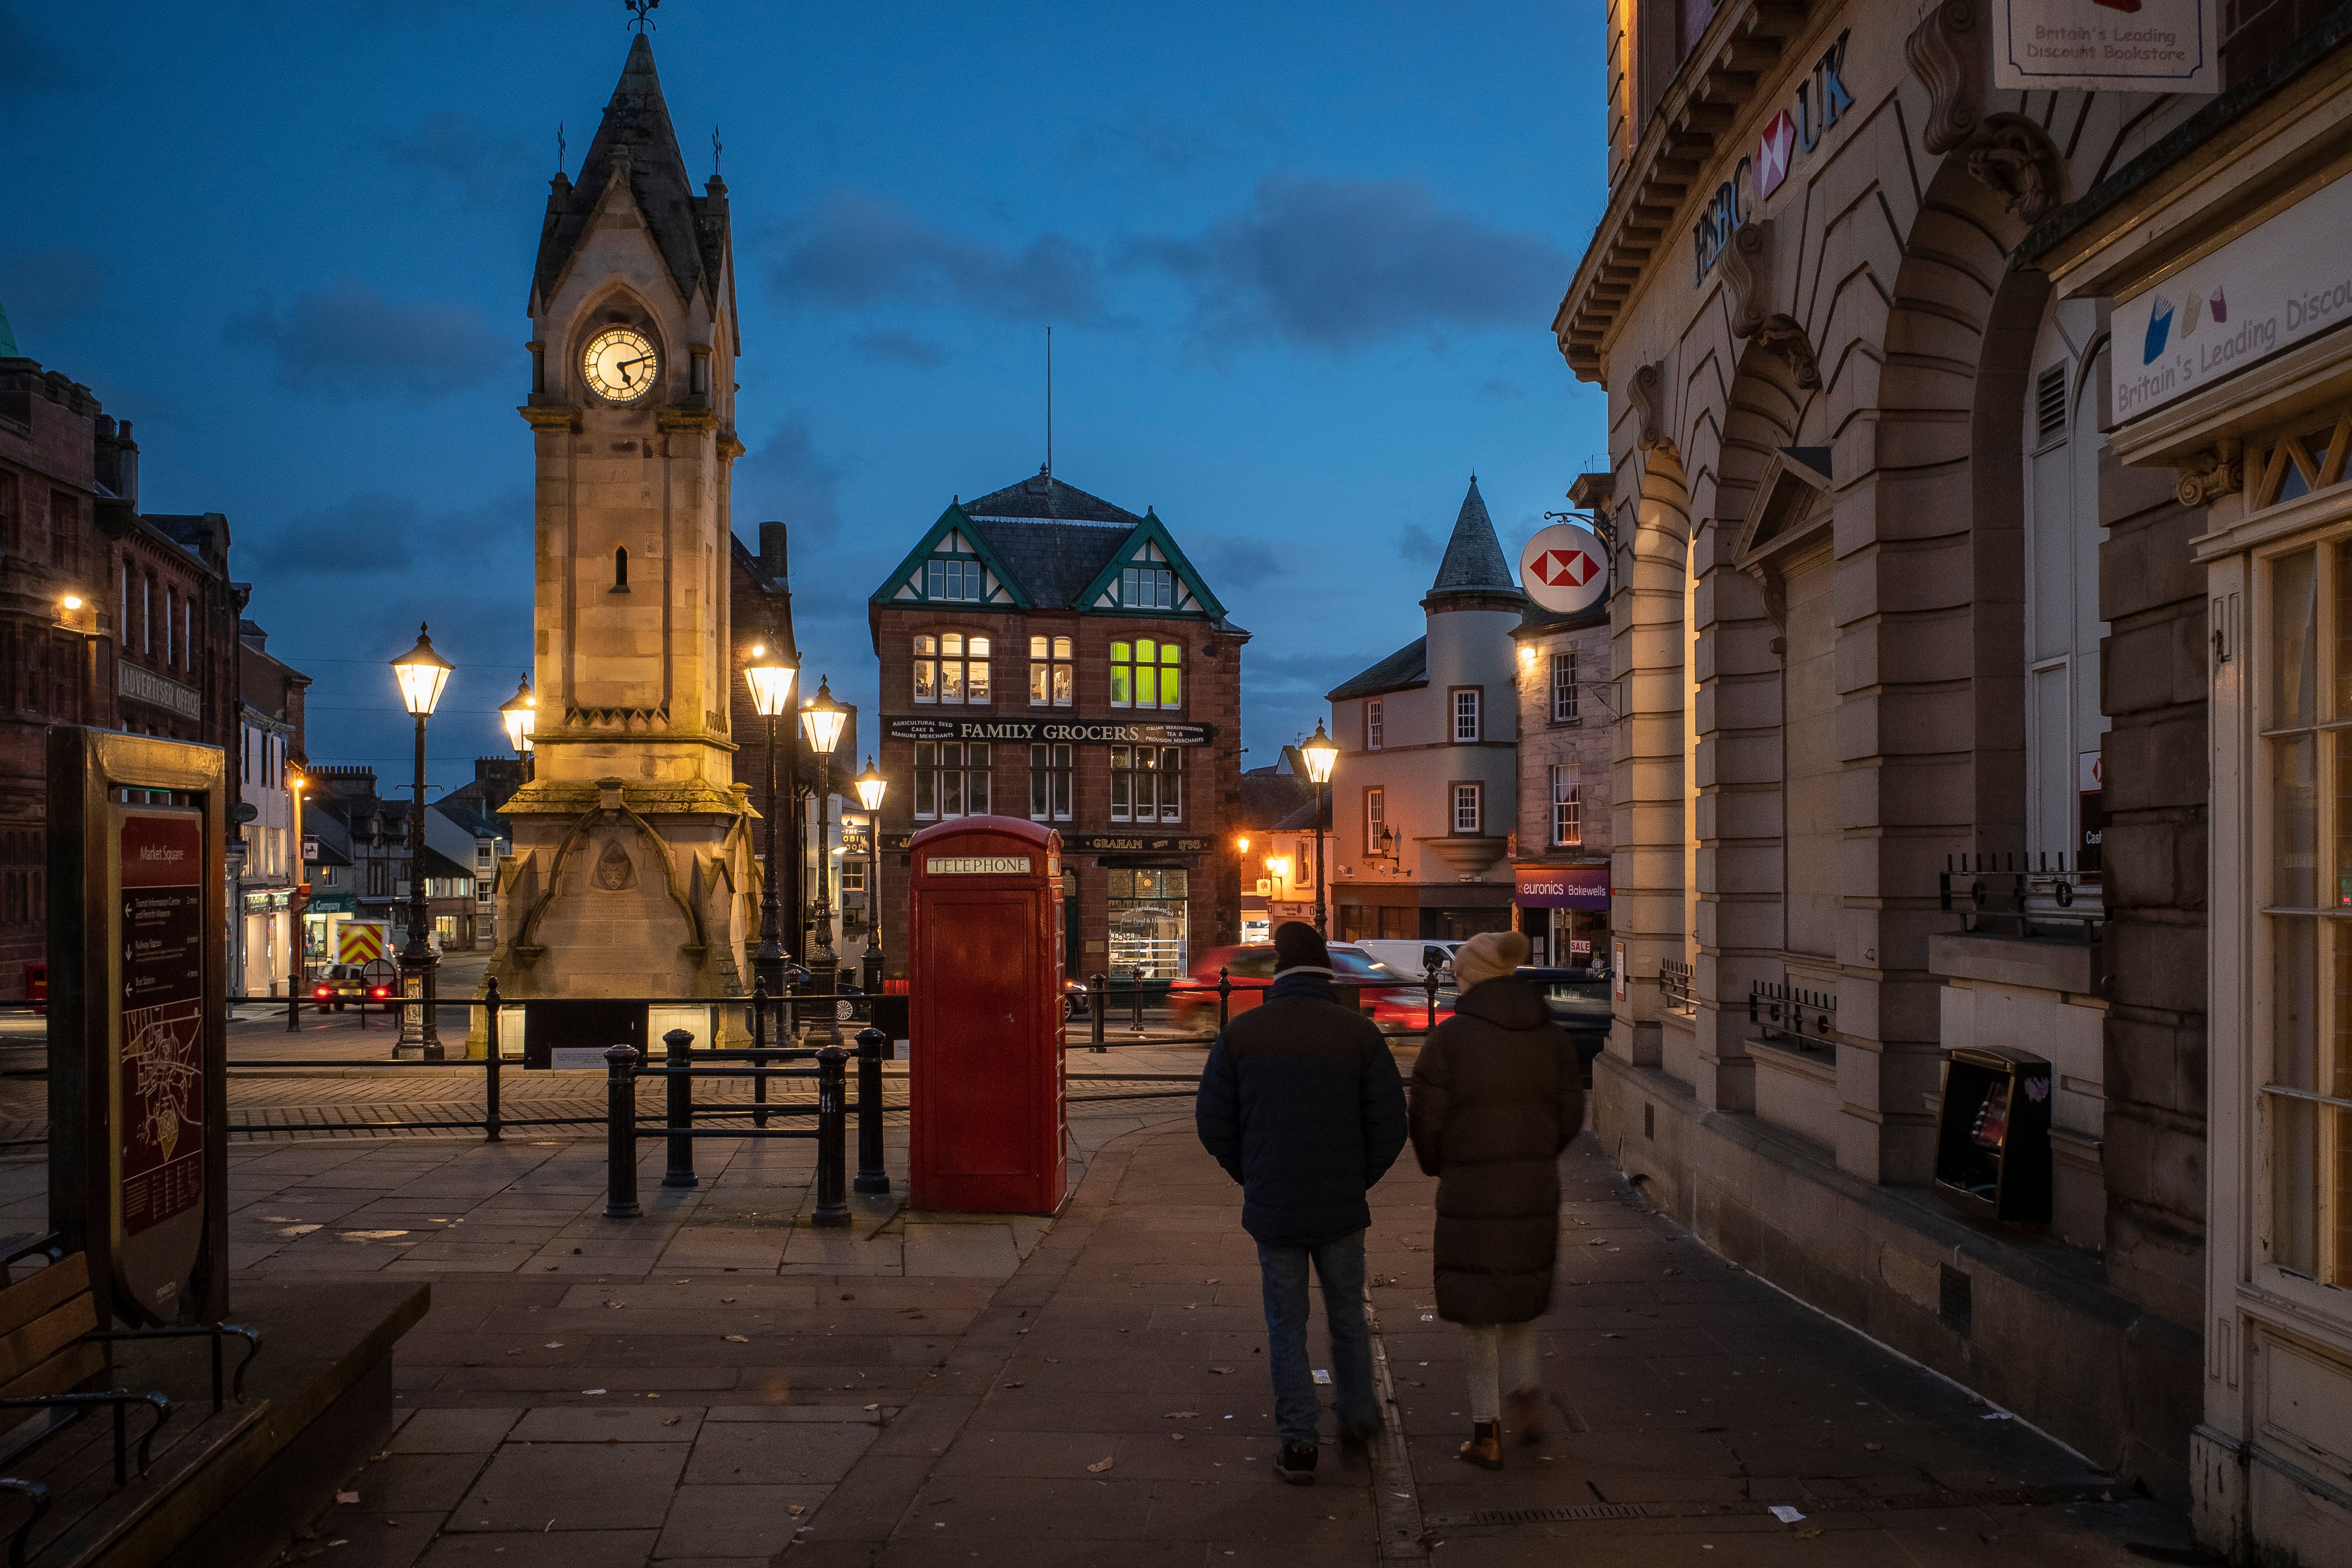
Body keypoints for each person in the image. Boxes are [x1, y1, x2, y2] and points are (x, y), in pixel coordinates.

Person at [1197, 920, 1408, 1487]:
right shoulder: (1358, 1033)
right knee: (1348, 1316)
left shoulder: (1244, 1033)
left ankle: (1298, 1442)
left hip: (1275, 1201)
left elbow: (1212, 1122)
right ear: (1325, 970)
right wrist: (1357, 1178)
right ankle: (1360, 1421)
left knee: (1286, 1321)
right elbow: (1390, 1125)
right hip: (1340, 1201)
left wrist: (1255, 1175)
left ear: (1280, 969)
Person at [1407, 928, 1584, 1469]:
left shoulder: (1451, 1041)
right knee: (1518, 1303)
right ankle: (1527, 1398)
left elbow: (1425, 1123)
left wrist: (1445, 1165)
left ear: (1470, 979)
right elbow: (1570, 1113)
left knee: (1479, 1316)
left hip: (1471, 1190)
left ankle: (1486, 1432)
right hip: (1532, 1186)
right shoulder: (1549, 1035)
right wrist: (1536, 1153)